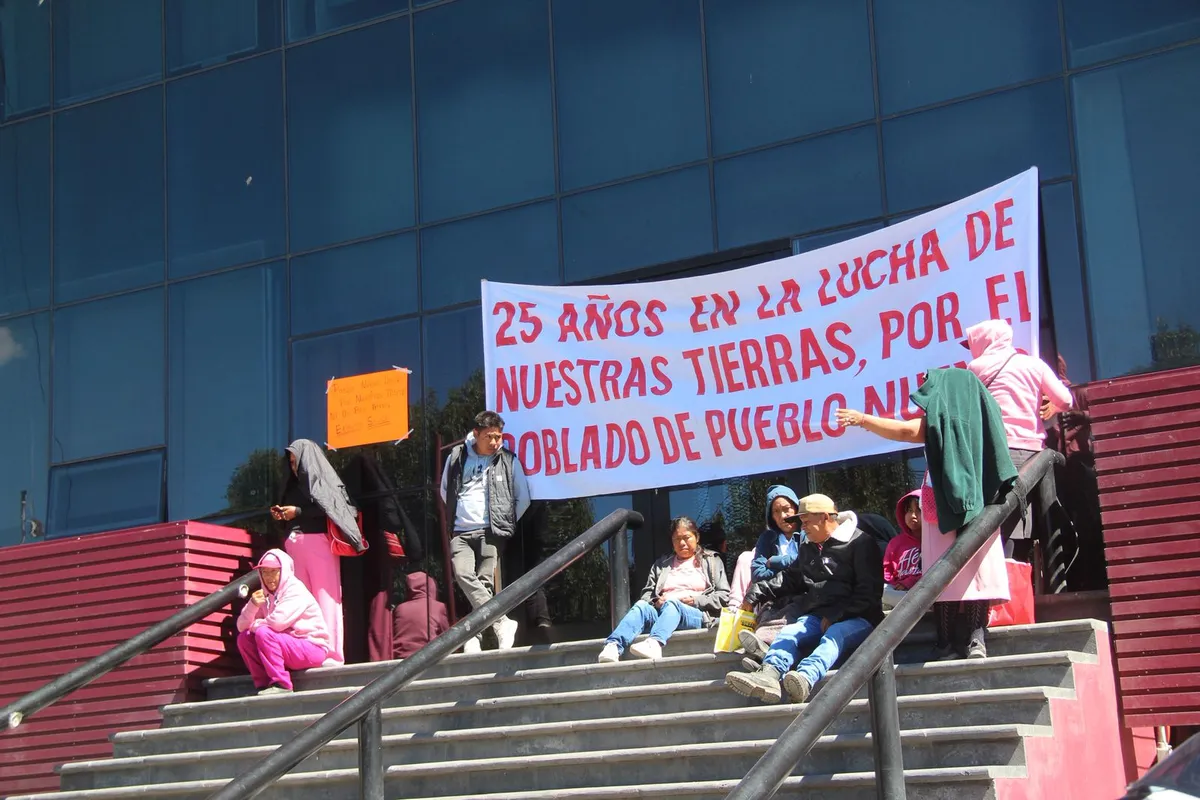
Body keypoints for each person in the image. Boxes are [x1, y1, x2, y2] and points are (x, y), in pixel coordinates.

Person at [837, 366, 1015, 659]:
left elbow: (906, 430)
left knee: (941, 572)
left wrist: (863, 419)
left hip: (939, 504)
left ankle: (945, 642)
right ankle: (974, 639)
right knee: (977, 572)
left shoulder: (938, 423)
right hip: (982, 502)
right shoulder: (988, 421)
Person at [725, 494, 883, 704]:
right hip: (818, 615)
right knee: (791, 631)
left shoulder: (861, 543)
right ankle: (769, 675)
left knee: (835, 634)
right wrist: (755, 593)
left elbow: (869, 592)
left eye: (807, 521)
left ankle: (805, 678)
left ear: (826, 517)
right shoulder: (808, 547)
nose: (803, 527)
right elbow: (790, 578)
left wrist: (838, 615)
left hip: (860, 618)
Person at [964, 319, 1073, 560]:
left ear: (984, 340)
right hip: (1034, 456)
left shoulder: (976, 367)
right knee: (1027, 520)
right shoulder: (1034, 364)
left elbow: (969, 409)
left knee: (1000, 521)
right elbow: (1066, 400)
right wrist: (1052, 408)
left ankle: (1007, 588)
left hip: (998, 453)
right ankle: (1026, 580)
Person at [440, 411, 531, 652]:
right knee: (462, 574)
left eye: (498, 437)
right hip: (460, 531)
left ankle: (473, 637)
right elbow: (444, 491)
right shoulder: (457, 457)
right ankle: (501, 622)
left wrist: (503, 522)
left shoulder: (508, 460)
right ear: (476, 434)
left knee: (483, 583)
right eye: (489, 437)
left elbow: (523, 498)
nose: (494, 442)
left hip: (490, 532)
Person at [272, 439, 364, 666]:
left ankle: (332, 653)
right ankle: (306, 651)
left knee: (326, 597)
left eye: (297, 462)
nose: (293, 467)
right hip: (294, 545)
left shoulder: (324, 480)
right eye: (291, 463)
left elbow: (337, 509)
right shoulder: (291, 486)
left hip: (318, 544)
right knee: (299, 601)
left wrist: (299, 511)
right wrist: (283, 515)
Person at [598, 516, 729, 662]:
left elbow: (724, 596)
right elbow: (646, 594)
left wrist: (696, 600)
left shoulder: (711, 561)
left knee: (673, 604)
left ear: (697, 537)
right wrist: (655, 601)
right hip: (663, 612)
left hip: (696, 614)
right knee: (641, 606)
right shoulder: (662, 564)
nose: (682, 543)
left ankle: (654, 643)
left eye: (687, 537)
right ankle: (613, 646)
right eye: (676, 539)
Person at [237, 549, 332, 695]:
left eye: (273, 571)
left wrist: (255, 624)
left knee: (263, 632)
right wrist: (252, 605)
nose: (269, 577)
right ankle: (262, 684)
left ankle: (282, 683)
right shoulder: (265, 594)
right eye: (264, 572)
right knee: (244, 638)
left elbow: (277, 622)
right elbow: (241, 626)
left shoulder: (295, 590)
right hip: (288, 647)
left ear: (284, 571)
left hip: (312, 647)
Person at [392, 571, 450, 659]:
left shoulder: (399, 609)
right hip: (427, 657)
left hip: (401, 657)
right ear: (431, 587)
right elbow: (447, 636)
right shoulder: (438, 607)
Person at [750, 485, 803, 582]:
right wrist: (791, 570)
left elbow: (809, 561)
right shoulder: (767, 538)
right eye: (776, 511)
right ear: (771, 516)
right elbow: (757, 574)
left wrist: (776, 561)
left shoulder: (806, 533)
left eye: (786, 509)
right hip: (777, 594)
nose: (782, 516)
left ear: (796, 508)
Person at [883, 491, 923, 609]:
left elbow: (937, 571)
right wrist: (895, 584)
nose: (913, 515)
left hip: (925, 592)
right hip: (898, 594)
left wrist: (910, 582)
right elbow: (887, 571)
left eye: (919, 511)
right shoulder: (896, 543)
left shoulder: (935, 541)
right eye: (909, 511)